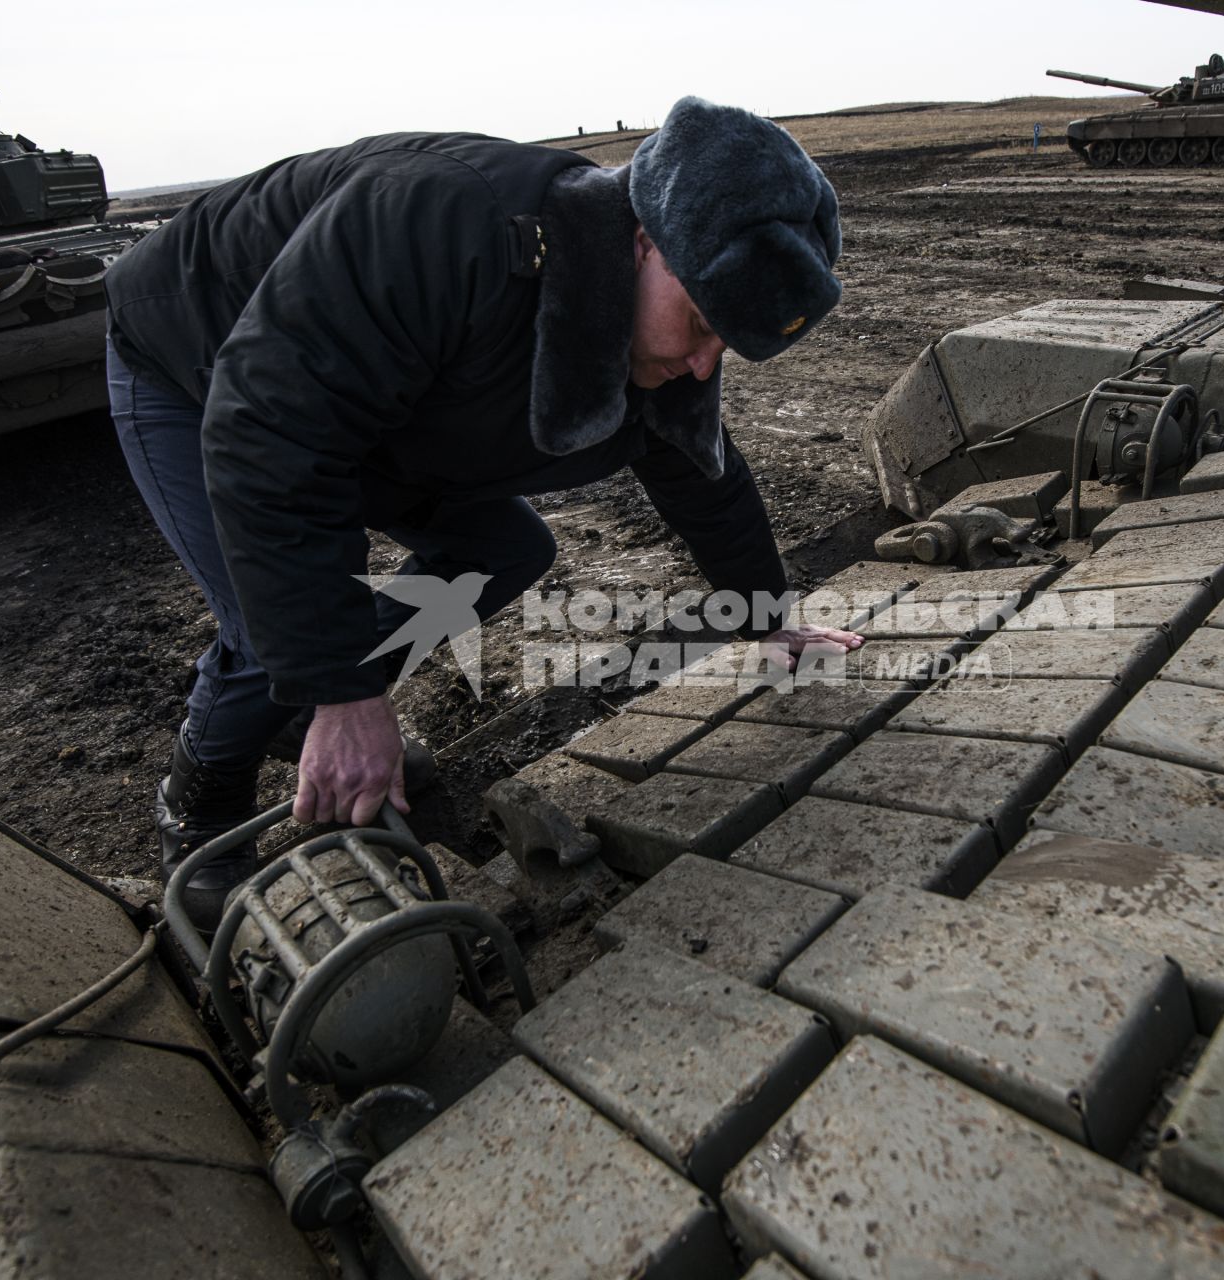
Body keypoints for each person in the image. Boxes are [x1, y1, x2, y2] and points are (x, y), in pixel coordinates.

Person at [103, 97, 862, 925]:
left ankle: (294, 708)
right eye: (703, 325)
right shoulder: (438, 224)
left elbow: (699, 476)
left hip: (383, 401)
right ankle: (199, 803)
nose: (702, 362)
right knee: (269, 627)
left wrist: (766, 616)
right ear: (646, 240)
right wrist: (343, 694)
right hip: (197, 366)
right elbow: (273, 445)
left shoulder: (647, 307)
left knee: (503, 550)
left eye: (730, 344)